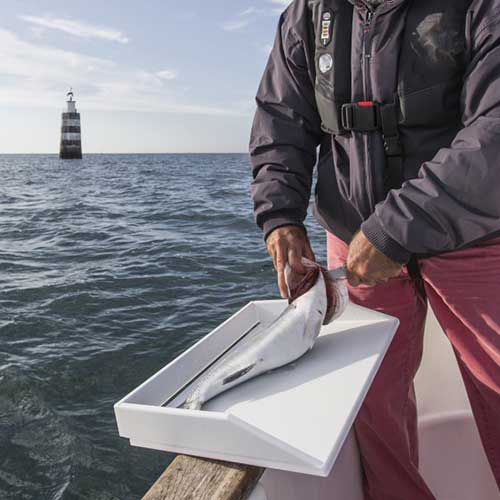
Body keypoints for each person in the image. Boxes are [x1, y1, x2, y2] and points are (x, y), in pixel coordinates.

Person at [249, 0, 500, 498]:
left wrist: (395, 228)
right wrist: (280, 217)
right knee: (373, 401)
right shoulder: (307, 15)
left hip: (473, 237)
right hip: (354, 236)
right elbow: (281, 119)